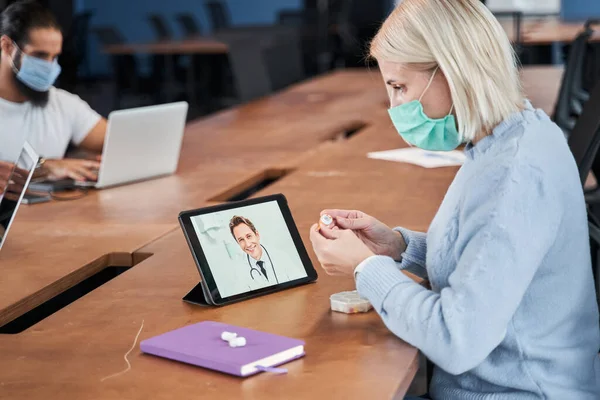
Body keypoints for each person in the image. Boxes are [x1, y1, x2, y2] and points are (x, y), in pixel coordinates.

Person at [310, 1, 600, 399]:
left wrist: (366, 267)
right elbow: (488, 256)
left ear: (453, 70)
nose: (394, 107)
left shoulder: (512, 175)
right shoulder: (510, 137)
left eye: (399, 87)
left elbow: (456, 339)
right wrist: (398, 247)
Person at [0, 0, 106, 182]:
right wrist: (45, 167)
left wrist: (99, 163)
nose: (49, 66)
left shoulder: (62, 103)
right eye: (40, 55)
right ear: (7, 47)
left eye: (54, 56)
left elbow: (119, 141)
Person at [229, 215, 301, 291]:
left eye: (249, 236)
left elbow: (301, 283)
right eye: (241, 240)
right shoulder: (240, 271)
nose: (248, 244)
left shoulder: (280, 256)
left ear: (257, 235)